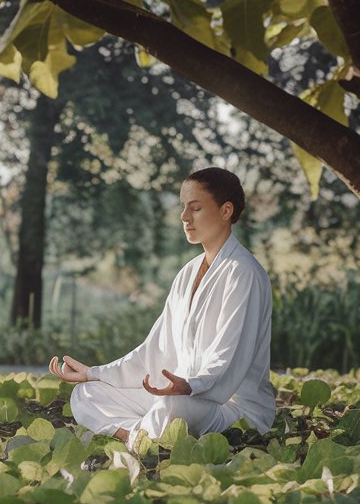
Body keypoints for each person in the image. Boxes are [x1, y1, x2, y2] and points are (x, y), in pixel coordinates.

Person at [49, 168, 275, 446]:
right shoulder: (187, 273)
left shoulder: (244, 273)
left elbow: (230, 358)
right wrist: (94, 373)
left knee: (173, 408)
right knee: (87, 394)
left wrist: (191, 386)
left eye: (195, 208)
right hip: (186, 395)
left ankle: (141, 437)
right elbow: (154, 351)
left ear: (226, 210)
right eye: (183, 207)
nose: (184, 217)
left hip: (231, 407)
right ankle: (139, 436)